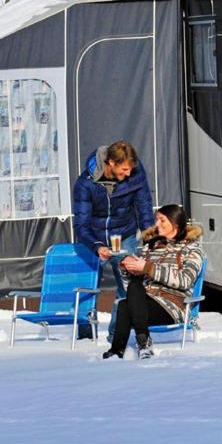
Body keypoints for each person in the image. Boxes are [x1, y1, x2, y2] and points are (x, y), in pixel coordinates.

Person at [72, 140, 154, 339]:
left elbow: (143, 206)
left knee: (129, 286)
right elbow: (81, 224)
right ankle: (85, 336)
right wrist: (97, 246)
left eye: (130, 169)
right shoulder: (86, 183)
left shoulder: (135, 173)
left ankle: (116, 335)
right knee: (87, 288)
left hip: (124, 236)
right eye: (124, 169)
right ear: (111, 163)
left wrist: (150, 236)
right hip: (94, 238)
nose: (128, 173)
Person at [102, 204, 205, 360]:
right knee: (132, 289)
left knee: (126, 304)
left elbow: (184, 280)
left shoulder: (192, 250)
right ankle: (137, 344)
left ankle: (121, 349)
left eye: (162, 220)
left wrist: (148, 267)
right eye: (156, 220)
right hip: (144, 301)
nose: (157, 224)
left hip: (172, 304)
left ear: (175, 223)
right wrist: (127, 269)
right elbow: (128, 283)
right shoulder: (149, 248)